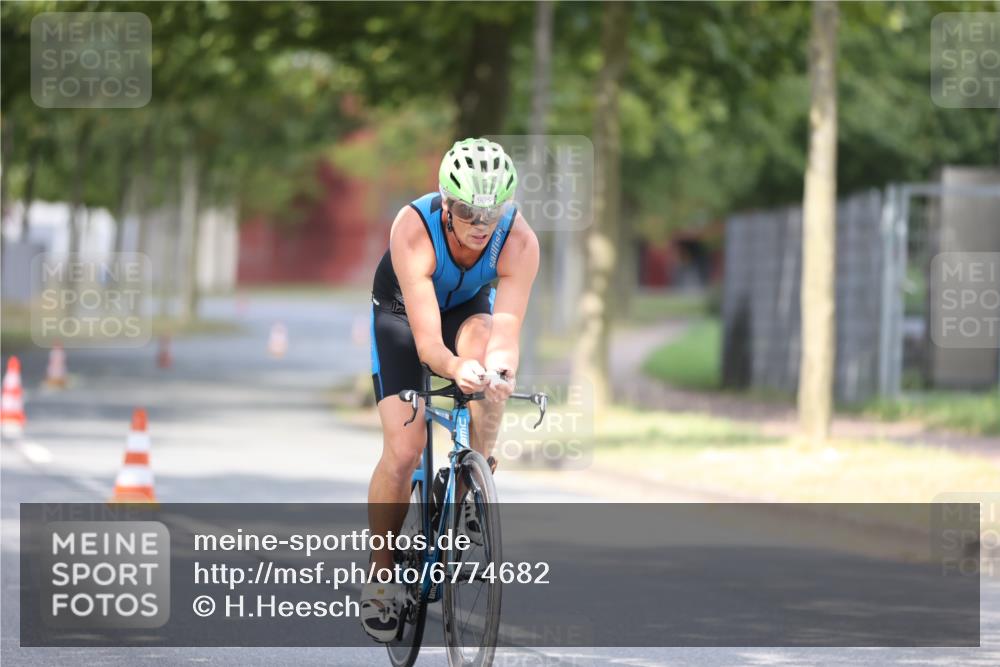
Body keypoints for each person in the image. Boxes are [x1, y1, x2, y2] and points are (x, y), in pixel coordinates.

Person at [361, 138, 539, 641]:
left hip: (465, 308)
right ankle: (379, 578)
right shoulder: (412, 229)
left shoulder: (519, 241)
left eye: (491, 211)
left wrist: (498, 373)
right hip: (403, 313)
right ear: (445, 203)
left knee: (490, 367)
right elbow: (427, 345)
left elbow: (506, 331)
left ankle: (474, 481)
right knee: (404, 448)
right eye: (467, 210)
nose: (480, 223)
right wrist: (454, 367)